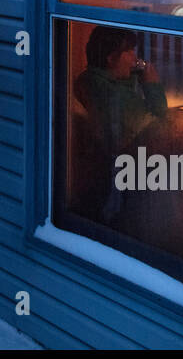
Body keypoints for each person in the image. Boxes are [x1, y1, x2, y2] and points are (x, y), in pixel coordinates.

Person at [72, 27, 170, 222]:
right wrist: (152, 85)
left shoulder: (90, 81)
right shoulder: (113, 96)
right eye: (129, 52)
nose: (135, 58)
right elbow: (159, 128)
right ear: (111, 58)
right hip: (128, 171)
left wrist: (131, 77)